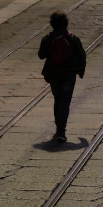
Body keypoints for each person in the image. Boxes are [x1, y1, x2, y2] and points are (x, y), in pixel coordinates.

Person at [38, 11, 86, 143]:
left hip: (53, 75)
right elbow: (82, 55)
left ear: (52, 24)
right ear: (66, 23)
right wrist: (80, 71)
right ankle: (61, 131)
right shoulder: (73, 38)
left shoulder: (48, 38)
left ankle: (58, 129)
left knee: (58, 100)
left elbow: (41, 55)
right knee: (65, 102)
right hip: (68, 75)